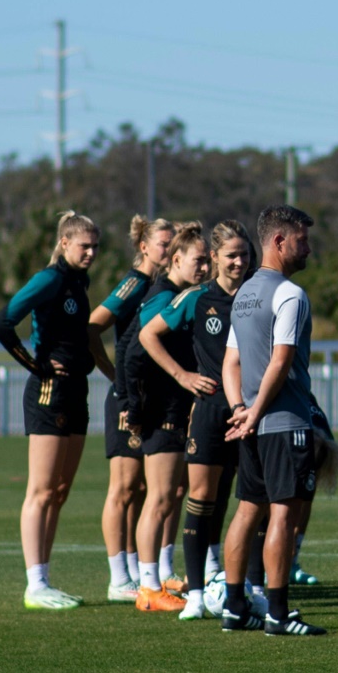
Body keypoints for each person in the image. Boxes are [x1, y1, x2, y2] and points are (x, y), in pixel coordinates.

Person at [0, 210, 111, 610]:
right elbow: (2, 323)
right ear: (64, 243)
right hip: (49, 392)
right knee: (41, 490)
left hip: (76, 391)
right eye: (84, 245)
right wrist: (36, 364)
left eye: (95, 246)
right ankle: (35, 585)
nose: (91, 252)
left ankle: (45, 578)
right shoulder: (49, 279)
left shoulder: (79, 280)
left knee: (60, 491)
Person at [218, 204, 327, 637]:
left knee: (247, 512)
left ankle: (234, 606)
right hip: (284, 422)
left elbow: (231, 363)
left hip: (252, 422)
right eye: (303, 239)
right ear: (279, 241)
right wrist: (257, 411)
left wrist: (239, 410)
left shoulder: (243, 293)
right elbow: (280, 363)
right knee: (283, 515)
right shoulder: (290, 295)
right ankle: (279, 613)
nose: (309, 248)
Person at [140, 220, 253, 619]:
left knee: (251, 501)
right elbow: (147, 335)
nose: (239, 261)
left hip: (251, 411)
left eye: (244, 254)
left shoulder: (258, 296)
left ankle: (247, 586)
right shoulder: (195, 298)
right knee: (200, 498)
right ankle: (198, 594)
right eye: (231, 255)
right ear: (217, 258)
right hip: (209, 409)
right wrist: (182, 375)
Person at [86, 216, 174, 601]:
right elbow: (93, 325)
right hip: (126, 398)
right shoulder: (135, 282)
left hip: (148, 397)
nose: (168, 249)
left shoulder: (164, 286)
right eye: (162, 243)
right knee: (122, 489)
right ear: (144, 247)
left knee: (145, 489)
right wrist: (114, 379)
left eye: (173, 243)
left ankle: (143, 572)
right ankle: (118, 578)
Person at [125, 222, 209, 611]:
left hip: (174, 405)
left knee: (172, 494)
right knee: (158, 497)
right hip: (158, 408)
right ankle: (146, 588)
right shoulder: (163, 295)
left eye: (209, 261)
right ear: (176, 259)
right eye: (200, 260)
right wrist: (133, 404)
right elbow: (136, 348)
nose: (205, 268)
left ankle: (160, 574)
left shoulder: (182, 294)